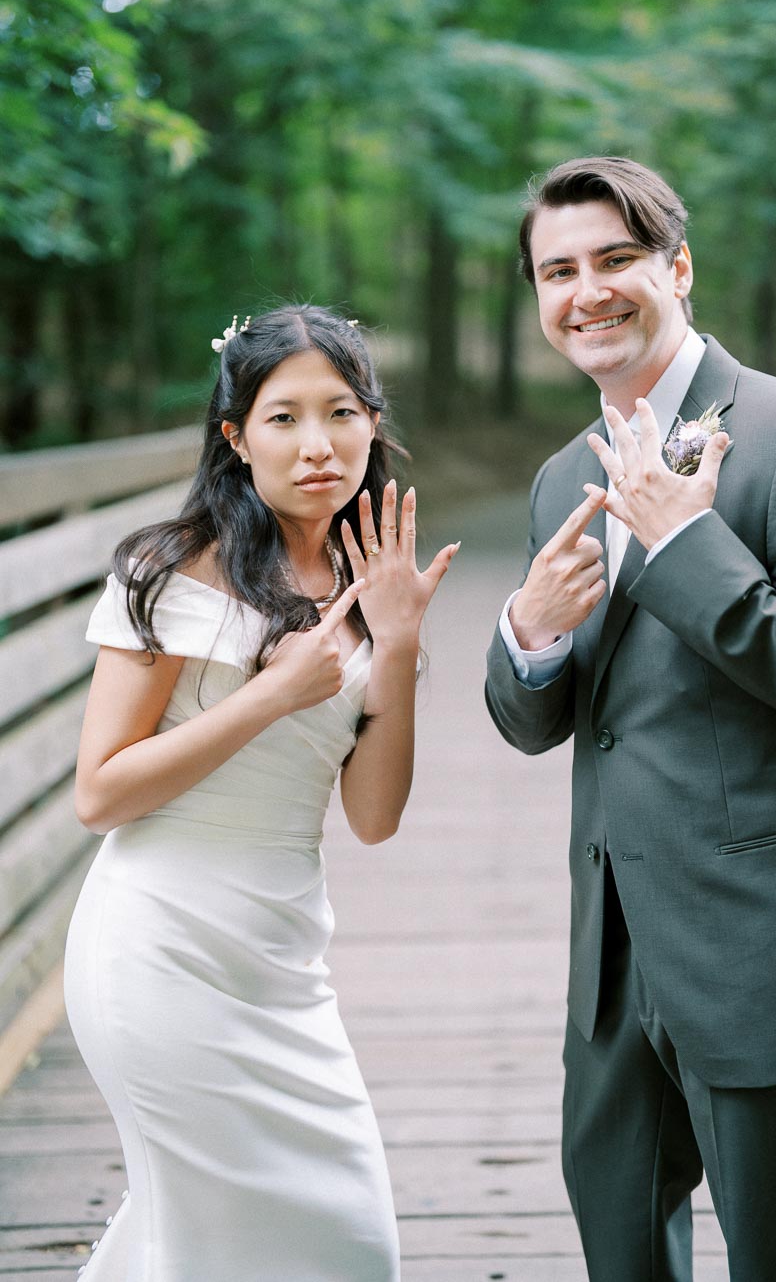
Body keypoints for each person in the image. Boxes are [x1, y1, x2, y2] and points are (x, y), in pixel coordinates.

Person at [484, 156, 776, 1281]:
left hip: (769, 941)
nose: (587, 292)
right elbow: (539, 725)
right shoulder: (560, 473)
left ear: (678, 267)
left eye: (616, 260)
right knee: (622, 1253)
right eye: (557, 270)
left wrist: (685, 550)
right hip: (613, 954)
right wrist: (529, 632)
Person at [64, 304, 459, 1282]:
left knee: (344, 1237)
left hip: (284, 966)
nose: (317, 445)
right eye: (283, 418)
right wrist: (271, 693)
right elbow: (99, 795)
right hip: (159, 952)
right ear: (236, 438)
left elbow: (372, 818)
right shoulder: (167, 572)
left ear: (374, 422)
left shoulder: (371, 586)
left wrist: (399, 646)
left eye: (341, 412)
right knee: (209, 1237)